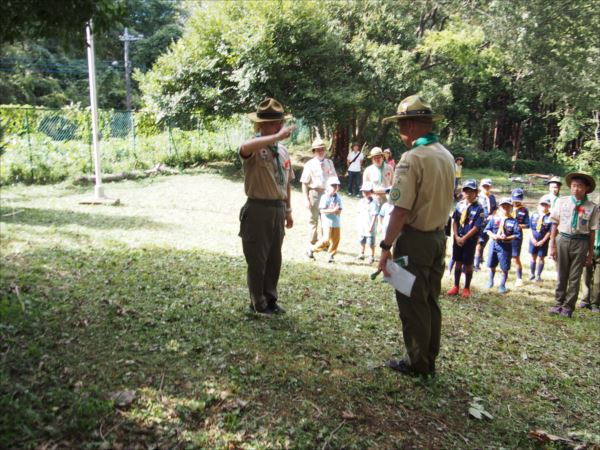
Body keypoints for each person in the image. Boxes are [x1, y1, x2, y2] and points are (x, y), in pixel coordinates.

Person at [378, 95, 454, 378]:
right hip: (437, 239)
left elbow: (400, 210)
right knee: (430, 300)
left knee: (411, 302)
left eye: (401, 124)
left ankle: (417, 363)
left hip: (416, 240)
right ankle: (428, 357)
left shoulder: (413, 159)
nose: (400, 131)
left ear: (410, 125)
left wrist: (386, 246)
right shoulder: (445, 155)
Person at [238, 98, 295, 315]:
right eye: (272, 124)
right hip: (258, 208)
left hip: (277, 209)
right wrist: (275, 137)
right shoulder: (254, 146)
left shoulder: (282, 150)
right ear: (260, 125)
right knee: (257, 259)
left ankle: (271, 298)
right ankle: (257, 302)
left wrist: (288, 210)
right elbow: (243, 148)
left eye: (279, 122)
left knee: (274, 258)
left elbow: (287, 182)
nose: (278, 127)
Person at [549, 172, 598, 318]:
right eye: (574, 186)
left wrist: (590, 253)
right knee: (561, 274)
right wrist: (552, 245)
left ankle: (568, 307)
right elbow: (554, 223)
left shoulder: (592, 207)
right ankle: (558, 303)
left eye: (580, 186)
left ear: (586, 189)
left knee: (575, 277)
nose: (576, 189)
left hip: (581, 242)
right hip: (562, 239)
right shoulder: (561, 201)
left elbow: (592, 232)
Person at [447, 179, 485, 298]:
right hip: (458, 239)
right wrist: (457, 236)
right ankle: (456, 286)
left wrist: (465, 238)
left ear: (476, 192)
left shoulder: (479, 208)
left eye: (471, 191)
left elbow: (476, 227)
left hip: (469, 240)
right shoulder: (459, 205)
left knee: (468, 264)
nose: (468, 193)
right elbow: (455, 222)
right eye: (466, 191)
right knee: (457, 262)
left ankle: (467, 287)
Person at [300, 137, 337, 247]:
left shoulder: (329, 163)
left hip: (327, 194)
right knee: (313, 219)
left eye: (322, 149)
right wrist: (306, 200)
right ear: (314, 152)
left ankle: (324, 243)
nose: (320, 152)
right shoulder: (309, 164)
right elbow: (304, 183)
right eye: (318, 150)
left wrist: (334, 195)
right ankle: (313, 242)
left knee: (326, 219)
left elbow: (334, 179)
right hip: (315, 194)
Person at [484, 197, 521, 293]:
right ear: (499, 207)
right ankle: (490, 281)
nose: (505, 208)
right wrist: (493, 235)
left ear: (511, 207)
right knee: (492, 265)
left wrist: (507, 238)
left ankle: (502, 285)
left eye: (507, 206)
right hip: (494, 244)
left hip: (505, 246)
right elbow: (487, 230)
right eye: (503, 206)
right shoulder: (495, 218)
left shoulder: (514, 221)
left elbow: (517, 235)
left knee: (504, 267)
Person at [307, 177, 343, 263]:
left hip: (336, 222)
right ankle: (312, 249)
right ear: (327, 186)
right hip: (327, 222)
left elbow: (340, 210)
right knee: (326, 240)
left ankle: (331, 255)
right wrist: (333, 210)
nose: (335, 187)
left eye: (336, 185)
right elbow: (322, 211)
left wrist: (335, 211)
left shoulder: (338, 197)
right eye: (333, 185)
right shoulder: (324, 197)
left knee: (335, 240)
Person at [579, 207, 600, 313]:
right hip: (588, 250)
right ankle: (585, 300)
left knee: (598, 281)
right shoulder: (589, 221)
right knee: (586, 276)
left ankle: (595, 303)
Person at [474, 178, 497, 271]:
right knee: (479, 243)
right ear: (480, 187)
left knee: (483, 243)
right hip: (479, 223)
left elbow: (495, 208)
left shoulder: (492, 197)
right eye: (484, 186)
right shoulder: (477, 197)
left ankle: (479, 259)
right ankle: (476, 265)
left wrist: (492, 215)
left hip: (488, 223)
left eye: (488, 186)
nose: (486, 188)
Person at [528, 196, 553, 282]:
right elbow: (530, 228)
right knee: (533, 256)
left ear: (549, 206)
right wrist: (532, 239)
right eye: (542, 204)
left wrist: (543, 241)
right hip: (533, 239)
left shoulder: (550, 217)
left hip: (543, 241)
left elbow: (549, 231)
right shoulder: (534, 214)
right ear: (539, 205)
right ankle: (532, 274)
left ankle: (538, 275)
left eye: (546, 205)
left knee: (541, 257)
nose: (544, 206)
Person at [510, 188, 530, 286]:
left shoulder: (524, 210)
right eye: (515, 199)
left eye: (518, 199)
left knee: (515, 256)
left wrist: (517, 225)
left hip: (516, 236)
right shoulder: (506, 206)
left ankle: (519, 278)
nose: (516, 202)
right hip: (505, 234)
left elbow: (527, 225)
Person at [357, 182, 380, 264]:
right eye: (364, 191)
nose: (365, 193)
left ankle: (372, 255)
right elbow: (359, 213)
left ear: (371, 191)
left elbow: (374, 215)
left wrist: (371, 226)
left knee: (370, 242)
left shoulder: (374, 203)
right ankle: (362, 253)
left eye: (367, 191)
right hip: (362, 226)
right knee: (361, 241)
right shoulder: (360, 202)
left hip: (370, 226)